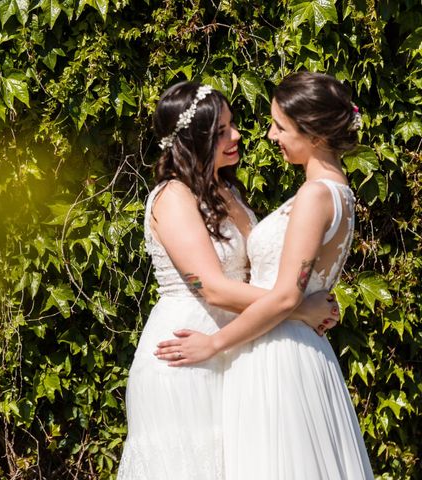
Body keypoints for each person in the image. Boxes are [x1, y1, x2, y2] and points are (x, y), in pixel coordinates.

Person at [155, 72, 374, 479]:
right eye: (223, 130)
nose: (267, 135)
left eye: (281, 126)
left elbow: (286, 293)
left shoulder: (314, 195)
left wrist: (217, 342)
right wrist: (302, 307)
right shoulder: (337, 191)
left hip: (272, 350)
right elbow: (284, 295)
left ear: (312, 134)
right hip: (263, 340)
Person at [116, 81, 338, 480]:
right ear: (191, 140)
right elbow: (213, 288)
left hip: (233, 352)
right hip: (185, 352)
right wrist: (298, 308)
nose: (236, 136)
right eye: (220, 132)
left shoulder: (229, 192)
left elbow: (262, 271)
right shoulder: (173, 197)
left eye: (231, 125)